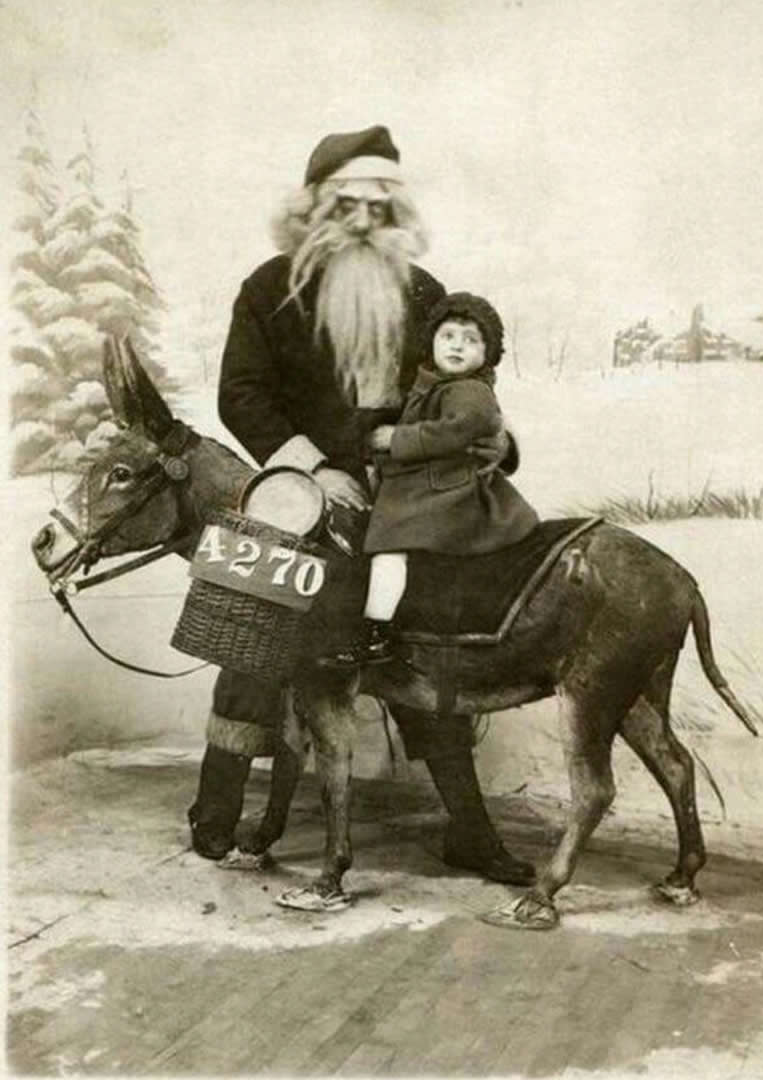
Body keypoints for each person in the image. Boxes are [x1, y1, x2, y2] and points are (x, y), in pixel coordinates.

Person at [188, 125, 535, 886]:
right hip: (298, 487)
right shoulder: (269, 288)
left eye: (380, 205)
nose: (363, 218)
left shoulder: (425, 295)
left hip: (404, 498)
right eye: (347, 202)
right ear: (314, 206)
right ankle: (217, 814)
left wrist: (486, 444)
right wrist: (316, 466)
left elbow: (460, 393)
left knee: (421, 648)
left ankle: (469, 833)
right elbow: (239, 395)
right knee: (251, 632)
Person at [324, 292, 539, 666]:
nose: (458, 346)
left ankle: (379, 632)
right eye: (449, 336)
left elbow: (459, 430)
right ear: (432, 342)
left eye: (472, 340)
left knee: (390, 548)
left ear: (487, 354)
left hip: (450, 491)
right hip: (436, 484)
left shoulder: (470, 391)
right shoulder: (436, 384)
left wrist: (396, 439)